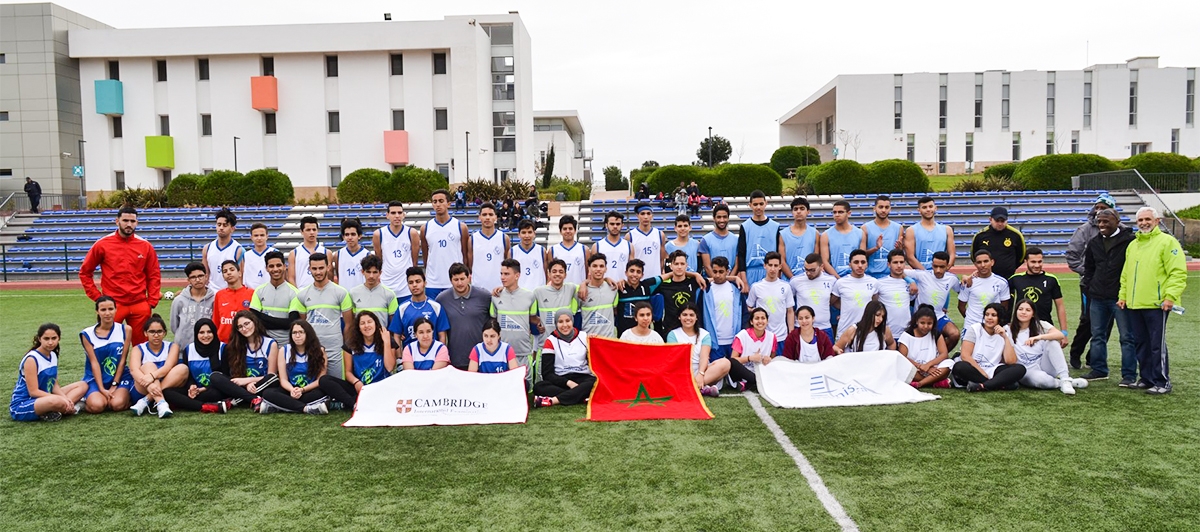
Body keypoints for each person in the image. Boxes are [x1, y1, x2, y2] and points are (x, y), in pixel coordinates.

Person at [1118, 207, 1187, 395]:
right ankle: (1147, 378)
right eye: (1140, 220)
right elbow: (1126, 274)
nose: (1143, 223)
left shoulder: (1167, 242)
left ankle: (1162, 381)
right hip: (1134, 304)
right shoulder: (1133, 245)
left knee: (1156, 344)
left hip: (1157, 304)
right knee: (1141, 343)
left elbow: (1178, 273)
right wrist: (1123, 296)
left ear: (1157, 221)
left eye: (1147, 219)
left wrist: (1170, 297)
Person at [79, 206, 162, 346]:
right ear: (117, 221)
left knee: (142, 345)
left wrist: (151, 302)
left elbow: (154, 275)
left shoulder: (145, 246)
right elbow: (85, 272)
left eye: (132, 221)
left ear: (137, 223)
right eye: (125, 220)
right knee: (109, 344)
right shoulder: (102, 244)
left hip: (139, 304)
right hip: (113, 305)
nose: (129, 224)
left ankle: (139, 368)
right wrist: (98, 298)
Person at [1080, 209, 1137, 383]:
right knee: (1097, 335)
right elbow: (1088, 268)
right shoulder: (1094, 242)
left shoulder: (1130, 241)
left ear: (1117, 220)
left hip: (1120, 298)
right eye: (1099, 221)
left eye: (1106, 221)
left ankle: (1129, 375)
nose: (1102, 225)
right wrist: (1089, 286)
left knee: (1127, 337)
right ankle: (1099, 369)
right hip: (1097, 297)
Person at [1065, 193, 1117, 368]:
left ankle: (1092, 357)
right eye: (1098, 207)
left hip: (1112, 286)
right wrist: (1087, 273)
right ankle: (1076, 352)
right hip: (1089, 285)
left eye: (1104, 208)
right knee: (1087, 320)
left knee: (1108, 322)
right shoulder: (1084, 230)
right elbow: (1072, 255)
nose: (1099, 211)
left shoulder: (1122, 231)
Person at [1009, 299, 1089, 395]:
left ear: (1033, 314)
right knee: (1041, 381)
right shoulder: (1008, 329)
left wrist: (1039, 337)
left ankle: (1065, 378)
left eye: (1028, 310)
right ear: (1016, 311)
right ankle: (1062, 383)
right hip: (1027, 370)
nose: (1023, 312)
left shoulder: (1041, 325)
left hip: (1044, 365)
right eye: (1020, 309)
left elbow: (1060, 335)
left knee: (1052, 342)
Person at [10, 323, 87, 422]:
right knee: (57, 401)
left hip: (45, 396)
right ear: (39, 339)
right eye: (46, 339)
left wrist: (65, 398)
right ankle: (74, 408)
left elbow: (53, 384)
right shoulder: (32, 359)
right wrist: (60, 399)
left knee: (83, 385)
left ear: (59, 338)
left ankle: (62, 408)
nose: (50, 342)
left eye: (54, 338)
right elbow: (33, 392)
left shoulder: (53, 355)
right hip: (24, 403)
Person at [319, 311, 395, 408]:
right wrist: (356, 382)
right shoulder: (351, 345)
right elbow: (348, 373)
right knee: (324, 380)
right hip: (359, 387)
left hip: (380, 387)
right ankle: (354, 404)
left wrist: (387, 342)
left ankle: (346, 403)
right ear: (358, 327)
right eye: (362, 323)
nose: (366, 326)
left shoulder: (387, 341)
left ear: (376, 324)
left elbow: (389, 367)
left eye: (369, 322)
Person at [295, 252, 353, 379]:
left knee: (337, 386)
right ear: (309, 269)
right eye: (314, 268)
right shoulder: (302, 295)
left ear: (328, 267)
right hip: (313, 349)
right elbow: (304, 325)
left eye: (321, 268)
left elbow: (348, 324)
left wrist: (345, 347)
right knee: (314, 386)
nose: (318, 272)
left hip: (335, 350)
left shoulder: (341, 292)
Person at [212, 311, 281, 410]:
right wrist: (246, 384)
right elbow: (235, 375)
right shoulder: (236, 345)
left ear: (254, 322)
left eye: (246, 324)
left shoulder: (270, 343)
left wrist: (248, 381)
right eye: (240, 327)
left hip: (261, 384)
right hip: (243, 386)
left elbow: (271, 376)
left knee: (272, 381)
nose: (244, 329)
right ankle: (254, 399)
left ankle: (235, 401)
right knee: (215, 376)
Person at [161, 319, 232, 414]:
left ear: (214, 332)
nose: (206, 336)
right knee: (167, 392)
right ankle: (205, 406)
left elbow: (226, 376)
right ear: (196, 334)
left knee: (214, 394)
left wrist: (204, 389)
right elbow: (188, 375)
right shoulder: (189, 349)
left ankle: (184, 403)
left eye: (209, 332)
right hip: (194, 390)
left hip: (213, 389)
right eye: (201, 332)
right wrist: (191, 387)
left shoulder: (223, 348)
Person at [258, 320, 329, 414]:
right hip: (290, 390)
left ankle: (281, 407)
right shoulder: (284, 350)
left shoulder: (320, 351)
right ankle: (307, 409)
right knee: (268, 393)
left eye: (301, 332)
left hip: (309, 390)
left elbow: (320, 380)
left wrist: (302, 390)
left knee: (321, 393)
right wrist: (292, 390)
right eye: (294, 333)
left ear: (308, 334)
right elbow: (283, 379)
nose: (297, 336)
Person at [952, 303, 1026, 392]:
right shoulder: (975, 329)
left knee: (1020, 369)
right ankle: (997, 384)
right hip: (974, 368)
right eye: (987, 315)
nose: (989, 318)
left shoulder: (1005, 331)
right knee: (959, 367)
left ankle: (982, 386)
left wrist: (1006, 338)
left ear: (1000, 318)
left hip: (993, 368)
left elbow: (1011, 361)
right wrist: (982, 372)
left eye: (993, 315)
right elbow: (965, 356)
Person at [80, 296, 134, 414]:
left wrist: (114, 384)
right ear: (97, 312)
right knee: (97, 406)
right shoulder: (87, 334)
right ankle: (86, 401)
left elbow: (122, 360)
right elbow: (94, 363)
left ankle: (126, 397)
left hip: (119, 377)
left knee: (117, 405)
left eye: (111, 309)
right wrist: (101, 388)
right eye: (103, 310)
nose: (107, 313)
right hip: (95, 378)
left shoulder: (126, 330)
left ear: (116, 310)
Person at [492, 259, 542, 384]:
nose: (502, 277)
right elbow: (493, 322)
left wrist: (541, 324)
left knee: (525, 388)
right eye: (501, 274)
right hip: (502, 352)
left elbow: (533, 318)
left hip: (523, 352)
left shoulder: (530, 296)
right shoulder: (495, 296)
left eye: (506, 274)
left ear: (517, 275)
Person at [533, 310, 597, 408]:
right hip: (562, 380)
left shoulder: (584, 337)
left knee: (595, 383)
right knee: (539, 387)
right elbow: (547, 374)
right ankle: (582, 395)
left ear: (572, 321)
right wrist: (569, 383)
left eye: (568, 321)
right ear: (556, 323)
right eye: (560, 322)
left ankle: (553, 401)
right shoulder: (550, 341)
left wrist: (594, 343)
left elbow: (597, 361)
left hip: (583, 378)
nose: (565, 325)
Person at [436, 263, 494, 370]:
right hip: (456, 358)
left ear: (469, 278)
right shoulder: (442, 299)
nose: (460, 283)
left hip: (482, 357)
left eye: (462, 278)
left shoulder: (484, 296)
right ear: (450, 280)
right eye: (456, 279)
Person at [905, 251, 963, 351]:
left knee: (954, 334)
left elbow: (962, 291)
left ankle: (939, 355)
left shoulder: (952, 279)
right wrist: (911, 281)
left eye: (942, 267)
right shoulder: (923, 275)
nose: (938, 270)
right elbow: (899, 271)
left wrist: (967, 279)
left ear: (948, 266)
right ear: (932, 264)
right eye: (935, 266)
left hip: (939, 316)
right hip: (920, 316)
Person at [667, 304, 728, 398]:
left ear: (696, 318)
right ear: (679, 317)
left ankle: (693, 387)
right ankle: (701, 389)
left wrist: (700, 374)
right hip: (682, 372)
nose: (688, 318)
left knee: (725, 363)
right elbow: (676, 360)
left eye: (691, 315)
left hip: (703, 371)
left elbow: (704, 357)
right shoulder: (673, 334)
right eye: (684, 315)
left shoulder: (704, 334)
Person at [127, 316, 182, 418]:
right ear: (145, 333)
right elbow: (134, 371)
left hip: (164, 386)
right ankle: (161, 402)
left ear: (164, 333)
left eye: (159, 331)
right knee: (148, 365)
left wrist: (152, 376)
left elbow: (168, 367)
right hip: (143, 387)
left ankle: (147, 400)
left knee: (183, 368)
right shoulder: (138, 349)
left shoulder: (172, 347)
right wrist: (150, 385)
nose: (156, 335)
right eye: (152, 332)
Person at [422, 189, 471, 299]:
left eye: (441, 201)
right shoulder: (425, 228)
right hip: (433, 283)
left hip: (454, 282)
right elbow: (426, 256)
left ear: (448, 203)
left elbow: (465, 254)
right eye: (434, 202)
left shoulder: (461, 227)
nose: (438, 204)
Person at [1007, 247, 1068, 336]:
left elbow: (1060, 306)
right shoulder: (1015, 279)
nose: (1037, 265)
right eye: (1033, 262)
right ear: (1026, 261)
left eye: (1039, 261)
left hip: (1045, 327)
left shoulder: (1051, 279)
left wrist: (1064, 332)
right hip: (1021, 327)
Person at [249, 250, 302, 345]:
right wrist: (282, 323)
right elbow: (253, 318)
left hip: (286, 344)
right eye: (271, 266)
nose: (275, 269)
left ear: (284, 266)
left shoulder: (294, 293)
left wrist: (262, 318)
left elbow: (291, 323)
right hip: (263, 343)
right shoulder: (259, 291)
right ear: (266, 268)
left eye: (278, 265)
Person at [388, 266, 450, 348]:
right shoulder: (402, 308)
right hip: (410, 358)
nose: (414, 285)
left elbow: (442, 335)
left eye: (418, 281)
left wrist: (441, 354)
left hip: (433, 357)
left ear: (425, 283)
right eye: (411, 282)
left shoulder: (436, 307)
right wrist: (400, 358)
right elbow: (397, 335)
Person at [747, 251, 794, 355]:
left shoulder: (786, 287)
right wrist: (755, 312)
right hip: (762, 336)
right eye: (770, 265)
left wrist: (791, 331)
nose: (773, 269)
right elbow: (749, 307)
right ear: (765, 266)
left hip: (781, 336)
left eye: (776, 265)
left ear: (780, 267)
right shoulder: (756, 287)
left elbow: (790, 311)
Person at [372, 201, 419, 304]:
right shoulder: (379, 234)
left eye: (399, 213)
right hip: (386, 284)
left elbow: (414, 261)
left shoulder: (412, 233)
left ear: (404, 215)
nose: (397, 216)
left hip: (406, 286)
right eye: (393, 213)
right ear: (387, 215)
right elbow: (379, 259)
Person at [737, 190, 785, 288]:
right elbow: (741, 254)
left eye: (761, 204)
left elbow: (779, 253)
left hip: (770, 270)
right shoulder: (745, 226)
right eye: (755, 204)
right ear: (750, 205)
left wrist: (779, 272)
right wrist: (744, 280)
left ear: (766, 203)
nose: (758, 207)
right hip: (751, 271)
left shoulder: (775, 226)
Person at [896, 305, 952, 388]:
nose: (926, 326)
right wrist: (920, 367)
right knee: (901, 367)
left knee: (950, 363)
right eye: (922, 323)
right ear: (916, 322)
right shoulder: (907, 335)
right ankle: (933, 382)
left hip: (933, 368)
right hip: (915, 368)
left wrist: (928, 365)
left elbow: (944, 354)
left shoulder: (936, 334)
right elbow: (902, 357)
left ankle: (920, 383)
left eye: (929, 323)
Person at [654, 250, 707, 336]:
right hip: (669, 330)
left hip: (690, 330)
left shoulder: (694, 282)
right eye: (676, 264)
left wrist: (734, 278)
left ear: (686, 265)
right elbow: (646, 284)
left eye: (682, 264)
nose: (679, 267)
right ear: (671, 266)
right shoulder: (663, 285)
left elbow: (717, 280)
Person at [701, 256, 743, 363]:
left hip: (734, 341)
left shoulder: (736, 289)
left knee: (735, 376)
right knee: (717, 376)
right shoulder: (705, 290)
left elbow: (744, 314)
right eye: (715, 271)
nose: (717, 275)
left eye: (721, 271)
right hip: (714, 342)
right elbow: (700, 315)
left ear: (727, 271)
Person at [830, 250, 880, 339]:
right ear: (850, 264)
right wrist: (846, 309)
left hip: (867, 331)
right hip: (845, 330)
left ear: (867, 264)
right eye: (856, 262)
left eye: (863, 262)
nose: (860, 265)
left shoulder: (874, 282)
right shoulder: (840, 283)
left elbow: (875, 303)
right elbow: (832, 302)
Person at [957, 250, 1011, 331]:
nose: (983, 265)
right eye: (979, 262)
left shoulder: (1001, 282)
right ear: (975, 264)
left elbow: (1004, 307)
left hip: (993, 327)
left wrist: (994, 321)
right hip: (971, 326)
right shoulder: (968, 282)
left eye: (986, 261)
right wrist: (970, 319)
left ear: (992, 262)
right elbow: (961, 306)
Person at [348, 254, 399, 337]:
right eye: (368, 272)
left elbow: (394, 323)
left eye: (375, 272)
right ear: (362, 272)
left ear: (380, 273)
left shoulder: (389, 294)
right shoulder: (353, 293)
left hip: (381, 339)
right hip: (360, 340)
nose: (371, 276)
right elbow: (351, 321)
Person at [970, 207, 1025, 280]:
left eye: (1002, 221)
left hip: (1008, 277)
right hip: (986, 277)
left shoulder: (1016, 235)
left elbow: (1021, 256)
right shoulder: (980, 235)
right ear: (990, 219)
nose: (1000, 223)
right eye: (997, 221)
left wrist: (1010, 267)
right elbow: (974, 256)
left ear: (1007, 220)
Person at [790, 253, 837, 339]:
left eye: (812, 270)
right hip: (802, 328)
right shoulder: (796, 281)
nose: (808, 273)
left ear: (821, 267)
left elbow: (837, 300)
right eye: (806, 269)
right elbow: (789, 304)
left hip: (824, 328)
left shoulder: (831, 280)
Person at [534, 259, 579, 347]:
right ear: (549, 274)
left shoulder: (572, 288)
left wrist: (606, 279)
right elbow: (526, 307)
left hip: (566, 344)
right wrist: (537, 322)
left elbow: (590, 284)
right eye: (554, 271)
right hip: (545, 344)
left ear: (565, 275)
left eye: (561, 271)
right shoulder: (538, 291)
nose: (557, 274)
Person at [728, 307, 775, 392]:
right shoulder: (742, 335)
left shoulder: (772, 337)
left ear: (767, 321)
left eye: (763, 318)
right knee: (732, 363)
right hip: (743, 372)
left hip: (760, 371)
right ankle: (756, 382)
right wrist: (750, 358)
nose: (760, 321)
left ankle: (752, 383)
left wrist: (768, 359)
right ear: (751, 322)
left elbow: (772, 357)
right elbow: (733, 360)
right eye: (757, 318)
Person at [171, 262, 214, 349]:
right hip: (183, 348)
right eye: (193, 277)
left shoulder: (214, 299)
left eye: (200, 276)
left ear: (206, 276)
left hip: (208, 348)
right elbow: (174, 326)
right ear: (188, 280)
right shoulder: (179, 300)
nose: (197, 280)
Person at [904, 196, 956, 270]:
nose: (928, 209)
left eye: (930, 206)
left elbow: (952, 254)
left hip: (940, 275)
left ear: (935, 208)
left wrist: (942, 270)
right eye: (924, 207)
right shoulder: (911, 230)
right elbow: (910, 257)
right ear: (919, 210)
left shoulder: (947, 230)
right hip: (921, 275)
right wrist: (926, 274)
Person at [613, 259, 660, 336]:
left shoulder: (647, 286)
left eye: (638, 272)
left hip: (644, 336)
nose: (635, 274)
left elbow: (665, 276)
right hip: (624, 336)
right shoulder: (619, 288)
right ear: (626, 273)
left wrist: (683, 272)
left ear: (642, 275)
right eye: (632, 271)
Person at [469, 202, 510, 291]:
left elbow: (508, 264)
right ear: (479, 217)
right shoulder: (472, 239)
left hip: (499, 288)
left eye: (491, 214)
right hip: (478, 288)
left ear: (495, 217)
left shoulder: (504, 238)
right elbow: (469, 264)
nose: (487, 217)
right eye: (484, 214)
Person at [876, 249, 916, 340]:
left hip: (906, 333)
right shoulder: (879, 283)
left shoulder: (910, 285)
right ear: (888, 264)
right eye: (895, 262)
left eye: (901, 262)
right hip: (886, 333)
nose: (899, 265)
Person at [577, 254, 619, 338]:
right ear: (589, 269)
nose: (598, 269)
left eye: (601, 266)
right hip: (589, 341)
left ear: (606, 269)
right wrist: (584, 283)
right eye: (595, 266)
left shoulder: (613, 288)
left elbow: (615, 312)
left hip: (608, 340)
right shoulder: (580, 291)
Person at [862, 195, 904, 279]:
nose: (883, 210)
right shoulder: (865, 228)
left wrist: (900, 249)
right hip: (871, 275)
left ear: (890, 209)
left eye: (886, 207)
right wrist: (876, 248)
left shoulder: (898, 228)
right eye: (881, 207)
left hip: (891, 275)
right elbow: (862, 254)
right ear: (874, 208)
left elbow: (900, 255)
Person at [212, 260, 254, 343]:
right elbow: (216, 320)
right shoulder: (219, 295)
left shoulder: (252, 293)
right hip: (224, 342)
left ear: (239, 273)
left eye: (232, 269)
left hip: (245, 341)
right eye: (225, 271)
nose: (228, 273)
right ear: (223, 276)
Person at [202, 207, 244, 290]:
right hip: (211, 293)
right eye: (219, 224)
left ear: (232, 229)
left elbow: (241, 276)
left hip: (229, 293)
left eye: (225, 225)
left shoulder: (238, 250)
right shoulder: (207, 248)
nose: (221, 228)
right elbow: (205, 274)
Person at [821, 200, 865, 278]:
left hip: (856, 278)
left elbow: (862, 258)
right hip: (836, 278)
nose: (837, 215)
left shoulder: (860, 233)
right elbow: (825, 261)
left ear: (849, 213)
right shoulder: (826, 235)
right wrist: (838, 278)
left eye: (840, 212)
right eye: (834, 212)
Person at [699, 204, 739, 280]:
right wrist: (718, 280)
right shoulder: (705, 240)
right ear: (714, 218)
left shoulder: (736, 240)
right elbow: (707, 267)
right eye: (719, 217)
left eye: (724, 217)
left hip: (730, 284)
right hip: (712, 284)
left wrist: (727, 281)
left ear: (728, 218)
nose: (722, 220)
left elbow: (736, 265)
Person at [628, 202, 668, 278]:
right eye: (642, 214)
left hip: (655, 278)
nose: (646, 217)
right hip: (638, 279)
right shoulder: (630, 236)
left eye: (648, 213)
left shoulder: (660, 234)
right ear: (637, 216)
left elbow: (661, 259)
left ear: (652, 216)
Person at [781, 197, 819, 278]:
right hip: (789, 281)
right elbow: (782, 261)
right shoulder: (783, 234)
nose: (798, 211)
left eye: (802, 208)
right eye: (795, 209)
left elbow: (816, 259)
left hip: (809, 280)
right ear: (792, 212)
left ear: (808, 211)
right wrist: (793, 279)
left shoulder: (815, 233)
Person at [591, 211, 632, 281]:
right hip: (604, 287)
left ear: (622, 225)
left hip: (623, 287)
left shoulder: (629, 246)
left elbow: (632, 269)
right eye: (612, 224)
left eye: (618, 224)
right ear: (606, 225)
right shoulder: (597, 246)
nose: (615, 226)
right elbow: (592, 271)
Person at [288, 216, 326, 288]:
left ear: (318, 231)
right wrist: (297, 293)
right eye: (308, 230)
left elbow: (329, 276)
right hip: (301, 292)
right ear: (302, 232)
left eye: (314, 229)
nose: (312, 232)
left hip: (321, 293)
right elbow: (291, 278)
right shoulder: (294, 253)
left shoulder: (326, 252)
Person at [548, 215, 587, 286]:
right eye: (565, 229)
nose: (568, 231)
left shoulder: (584, 249)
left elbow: (588, 273)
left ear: (575, 230)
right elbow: (550, 274)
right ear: (560, 231)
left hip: (578, 291)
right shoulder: (553, 250)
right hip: (559, 291)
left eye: (570, 228)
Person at [332, 218, 369, 290]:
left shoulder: (367, 255)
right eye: (347, 234)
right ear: (343, 237)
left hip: (362, 296)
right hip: (344, 297)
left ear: (359, 236)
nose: (350, 237)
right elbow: (338, 275)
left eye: (353, 234)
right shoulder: (337, 255)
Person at [513, 220, 547, 290]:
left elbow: (546, 273)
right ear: (518, 234)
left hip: (538, 293)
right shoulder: (512, 251)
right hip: (519, 293)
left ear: (534, 234)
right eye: (523, 232)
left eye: (529, 232)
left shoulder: (542, 251)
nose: (527, 236)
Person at [242, 223, 277, 290]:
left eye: (262, 235)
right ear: (251, 237)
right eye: (256, 235)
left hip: (270, 291)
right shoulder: (246, 255)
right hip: (251, 293)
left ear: (267, 236)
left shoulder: (274, 252)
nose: (259, 238)